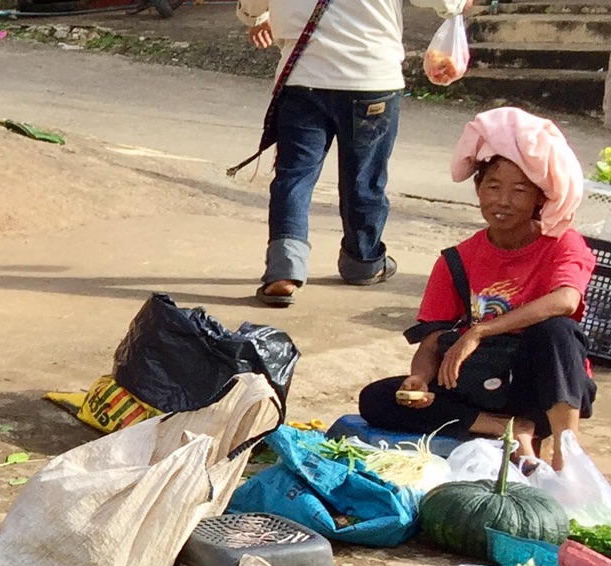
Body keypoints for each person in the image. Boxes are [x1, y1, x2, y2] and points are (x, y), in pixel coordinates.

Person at [359, 108, 594, 470]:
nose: (502, 201)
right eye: (492, 187)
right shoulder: (457, 259)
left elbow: (566, 300)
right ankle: (509, 430)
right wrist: (420, 378)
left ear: (539, 199)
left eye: (519, 190)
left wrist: (480, 330)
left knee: (557, 330)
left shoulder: (563, 243)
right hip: (478, 384)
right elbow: (434, 338)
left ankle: (566, 456)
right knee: (376, 399)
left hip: (543, 390)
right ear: (478, 190)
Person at [237, 0, 467, 307]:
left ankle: (284, 270)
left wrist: (257, 16)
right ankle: (362, 261)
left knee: (294, 176)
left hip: (303, 76)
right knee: (364, 177)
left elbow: (253, 5)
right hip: (371, 77)